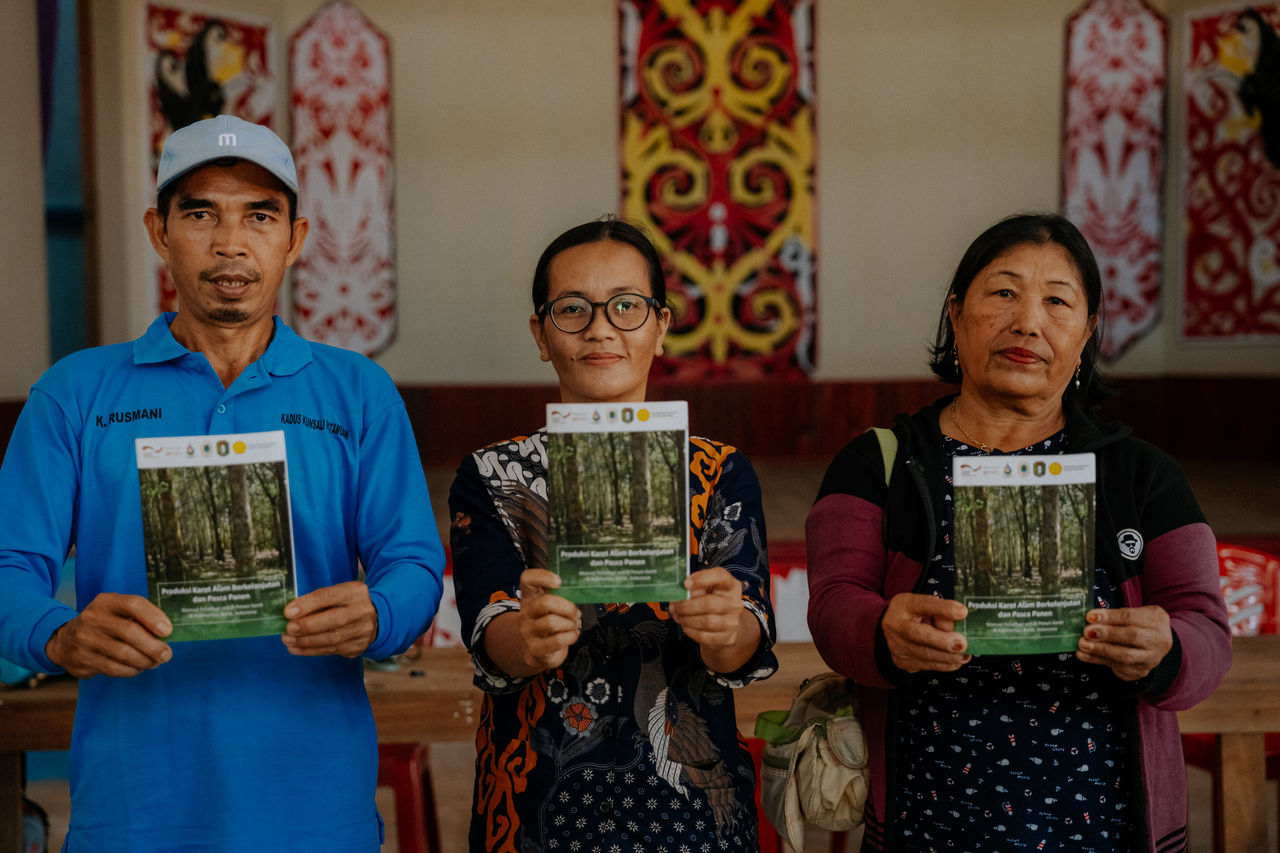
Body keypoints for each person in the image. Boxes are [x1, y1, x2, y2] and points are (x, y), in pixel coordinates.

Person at [0, 115, 445, 852]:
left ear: (296, 239)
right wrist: (59, 634)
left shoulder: (358, 392)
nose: (231, 242)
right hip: (132, 814)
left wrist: (380, 612)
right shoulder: (75, 393)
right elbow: (9, 567)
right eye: (201, 213)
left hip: (317, 812)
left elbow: (415, 564)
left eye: (260, 216)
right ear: (159, 230)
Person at [806, 213, 1231, 853]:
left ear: (1087, 332)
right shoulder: (880, 462)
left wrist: (1167, 649)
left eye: (1057, 301)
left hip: (1101, 830)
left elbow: (1207, 630)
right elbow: (835, 602)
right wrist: (882, 630)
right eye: (1003, 293)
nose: (1028, 322)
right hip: (928, 827)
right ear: (956, 313)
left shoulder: (1141, 475)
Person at [448, 217, 777, 851]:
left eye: (626, 306)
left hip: (693, 814)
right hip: (535, 806)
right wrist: (529, 638)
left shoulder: (719, 471)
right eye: (572, 309)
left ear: (662, 324)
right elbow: (489, 631)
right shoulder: (491, 475)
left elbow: (748, 636)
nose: (600, 327)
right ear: (541, 335)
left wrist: (724, 629)